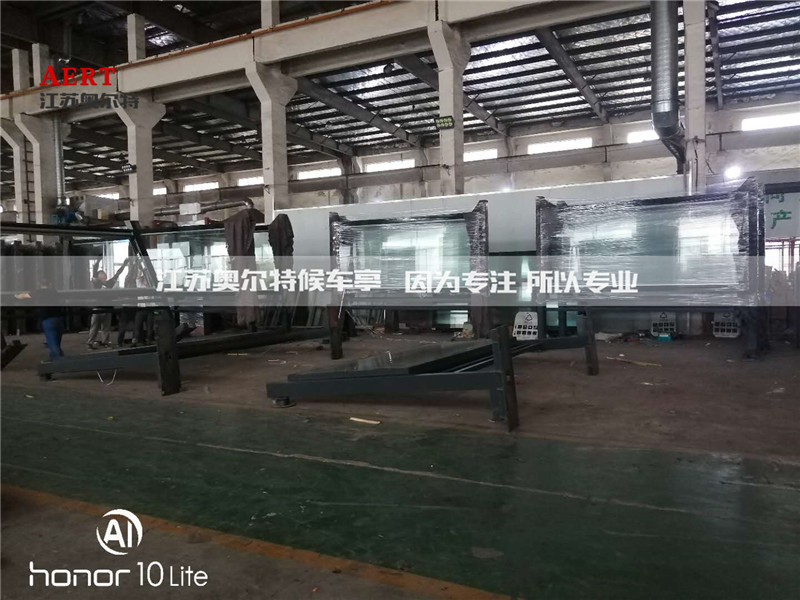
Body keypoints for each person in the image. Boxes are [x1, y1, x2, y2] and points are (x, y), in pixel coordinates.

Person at [87, 258, 127, 350]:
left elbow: (117, 274)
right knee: (94, 327)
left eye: (104, 273)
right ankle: (90, 343)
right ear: (98, 277)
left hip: (107, 308)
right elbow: (94, 271)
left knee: (106, 328)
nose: (103, 275)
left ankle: (105, 342)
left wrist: (124, 265)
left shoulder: (109, 283)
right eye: (101, 274)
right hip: (98, 309)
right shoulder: (97, 284)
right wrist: (98, 261)